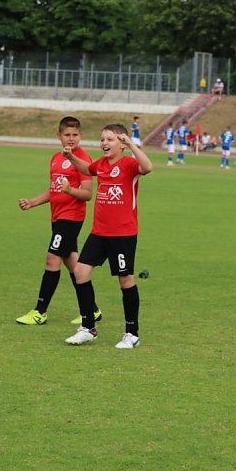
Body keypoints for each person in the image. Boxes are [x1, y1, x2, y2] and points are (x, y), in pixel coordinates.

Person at [62, 123, 153, 349]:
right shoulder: (101, 164)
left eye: (110, 139)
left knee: (125, 280)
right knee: (80, 272)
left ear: (121, 143)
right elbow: (87, 169)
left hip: (123, 233)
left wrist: (132, 144)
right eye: (102, 139)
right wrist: (72, 157)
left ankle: (132, 333)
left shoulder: (129, 164)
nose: (104, 143)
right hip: (99, 232)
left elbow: (148, 167)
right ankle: (88, 327)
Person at [16, 116, 100, 326]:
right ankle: (92, 310)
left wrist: (70, 190)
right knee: (73, 264)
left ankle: (40, 312)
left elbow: (88, 194)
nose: (71, 139)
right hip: (57, 217)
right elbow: (53, 190)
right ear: (59, 136)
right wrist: (33, 202)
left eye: (75, 135)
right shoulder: (55, 158)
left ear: (81, 136)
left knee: (51, 259)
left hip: (71, 217)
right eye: (67, 135)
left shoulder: (83, 160)